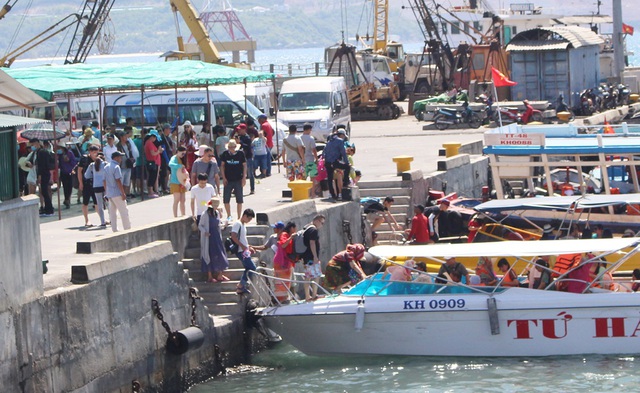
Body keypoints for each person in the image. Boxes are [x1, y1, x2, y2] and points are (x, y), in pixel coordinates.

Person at [198, 197, 229, 283]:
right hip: (209, 238)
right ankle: (210, 276)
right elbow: (200, 225)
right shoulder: (205, 214)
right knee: (209, 255)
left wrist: (224, 225)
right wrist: (205, 232)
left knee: (220, 254)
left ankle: (220, 274)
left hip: (216, 237)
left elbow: (218, 225)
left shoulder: (216, 213)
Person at [299, 214, 326, 301]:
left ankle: (308, 296)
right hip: (311, 257)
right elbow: (312, 243)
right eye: (322, 223)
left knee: (308, 276)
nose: (322, 225)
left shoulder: (306, 227)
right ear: (317, 221)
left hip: (306, 257)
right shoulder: (313, 230)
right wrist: (315, 256)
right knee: (317, 275)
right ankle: (313, 295)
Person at [103, 151, 131, 232]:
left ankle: (114, 229)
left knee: (112, 213)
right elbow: (118, 180)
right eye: (119, 157)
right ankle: (127, 228)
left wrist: (106, 192)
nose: (121, 159)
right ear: (116, 158)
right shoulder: (116, 167)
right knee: (124, 211)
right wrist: (123, 193)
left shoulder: (106, 167)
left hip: (110, 193)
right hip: (117, 192)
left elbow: (104, 181)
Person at [219, 139, 247, 222]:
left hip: (238, 178)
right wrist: (223, 177)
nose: (231, 148)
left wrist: (244, 177)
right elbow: (222, 166)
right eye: (230, 147)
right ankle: (229, 215)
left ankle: (239, 216)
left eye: (233, 147)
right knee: (226, 199)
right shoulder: (225, 154)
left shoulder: (240, 154)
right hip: (228, 179)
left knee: (239, 199)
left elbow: (244, 165)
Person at [232, 209, 256, 295]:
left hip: (244, 250)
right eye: (249, 219)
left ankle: (241, 286)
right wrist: (242, 246)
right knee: (252, 268)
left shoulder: (242, 225)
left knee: (248, 268)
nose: (249, 221)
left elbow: (243, 238)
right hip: (241, 251)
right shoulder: (237, 224)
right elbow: (233, 236)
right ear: (244, 216)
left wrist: (248, 247)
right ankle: (241, 286)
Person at [272, 221, 298, 302]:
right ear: (291, 228)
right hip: (280, 262)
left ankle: (287, 298)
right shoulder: (284, 235)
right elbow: (283, 245)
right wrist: (291, 238)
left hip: (287, 263)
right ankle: (281, 300)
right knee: (281, 283)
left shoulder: (288, 236)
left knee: (287, 282)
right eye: (295, 228)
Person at [323, 129, 350, 201]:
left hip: (327, 162)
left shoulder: (329, 142)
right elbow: (343, 153)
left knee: (330, 178)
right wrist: (347, 162)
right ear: (341, 135)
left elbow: (324, 153)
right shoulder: (340, 141)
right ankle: (345, 182)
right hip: (335, 162)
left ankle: (332, 195)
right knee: (347, 167)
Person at [30, 138, 55, 216]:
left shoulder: (42, 152)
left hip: (44, 174)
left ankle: (49, 210)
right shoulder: (38, 152)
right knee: (43, 192)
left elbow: (42, 165)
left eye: (33, 144)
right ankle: (47, 209)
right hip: (43, 173)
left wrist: (39, 176)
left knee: (45, 192)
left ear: (37, 143)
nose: (32, 146)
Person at [77, 145, 99, 227]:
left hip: (96, 183)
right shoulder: (84, 159)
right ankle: (87, 220)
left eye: (97, 152)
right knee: (85, 202)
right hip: (86, 183)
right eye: (94, 152)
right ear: (90, 152)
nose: (96, 154)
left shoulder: (99, 159)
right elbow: (79, 171)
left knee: (97, 202)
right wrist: (80, 183)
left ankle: (102, 218)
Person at [85, 153, 109, 227]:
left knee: (100, 205)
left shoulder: (92, 165)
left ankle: (102, 221)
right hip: (105, 185)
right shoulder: (105, 164)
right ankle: (111, 219)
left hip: (96, 186)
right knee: (109, 203)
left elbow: (86, 175)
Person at [116, 129, 138, 198]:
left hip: (128, 165)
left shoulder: (128, 143)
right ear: (121, 137)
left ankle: (125, 194)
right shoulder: (118, 145)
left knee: (127, 182)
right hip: (121, 166)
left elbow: (131, 152)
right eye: (125, 136)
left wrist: (132, 159)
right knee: (121, 182)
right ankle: (121, 195)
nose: (126, 137)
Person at [234, 124, 256, 194]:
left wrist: (240, 142)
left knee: (250, 173)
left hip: (248, 157)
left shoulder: (247, 138)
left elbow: (247, 147)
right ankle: (237, 189)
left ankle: (252, 189)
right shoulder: (239, 136)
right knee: (238, 173)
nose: (239, 131)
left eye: (240, 129)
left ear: (244, 129)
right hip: (240, 157)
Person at [169, 146, 189, 217]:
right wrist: (179, 166)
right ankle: (175, 216)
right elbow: (170, 164)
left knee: (183, 200)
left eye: (184, 154)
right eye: (182, 153)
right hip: (175, 181)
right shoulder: (174, 158)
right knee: (176, 199)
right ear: (178, 151)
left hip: (182, 181)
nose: (183, 155)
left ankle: (183, 214)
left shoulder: (182, 159)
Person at [300, 123, 319, 197]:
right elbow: (314, 150)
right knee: (312, 178)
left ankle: (304, 194)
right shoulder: (311, 138)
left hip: (302, 160)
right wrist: (316, 159)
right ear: (309, 130)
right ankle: (312, 194)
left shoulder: (299, 138)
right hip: (310, 159)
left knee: (303, 177)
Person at [56, 145, 77, 209]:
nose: (59, 149)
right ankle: (67, 199)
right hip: (63, 172)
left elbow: (74, 163)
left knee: (70, 186)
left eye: (60, 148)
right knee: (65, 187)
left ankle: (67, 199)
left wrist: (68, 160)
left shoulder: (69, 153)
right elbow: (58, 165)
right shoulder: (59, 155)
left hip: (70, 171)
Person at [144, 130, 163, 198]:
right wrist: (159, 151)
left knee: (153, 177)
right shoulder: (149, 143)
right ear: (152, 137)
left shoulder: (148, 143)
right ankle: (150, 192)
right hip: (151, 161)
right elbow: (153, 153)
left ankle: (151, 191)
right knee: (152, 177)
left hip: (152, 162)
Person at [158, 123, 175, 195]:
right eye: (169, 129)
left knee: (168, 173)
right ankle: (163, 188)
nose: (170, 130)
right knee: (164, 173)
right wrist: (167, 159)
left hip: (169, 156)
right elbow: (163, 149)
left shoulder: (168, 137)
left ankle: (166, 186)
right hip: (164, 158)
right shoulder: (162, 138)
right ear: (165, 129)